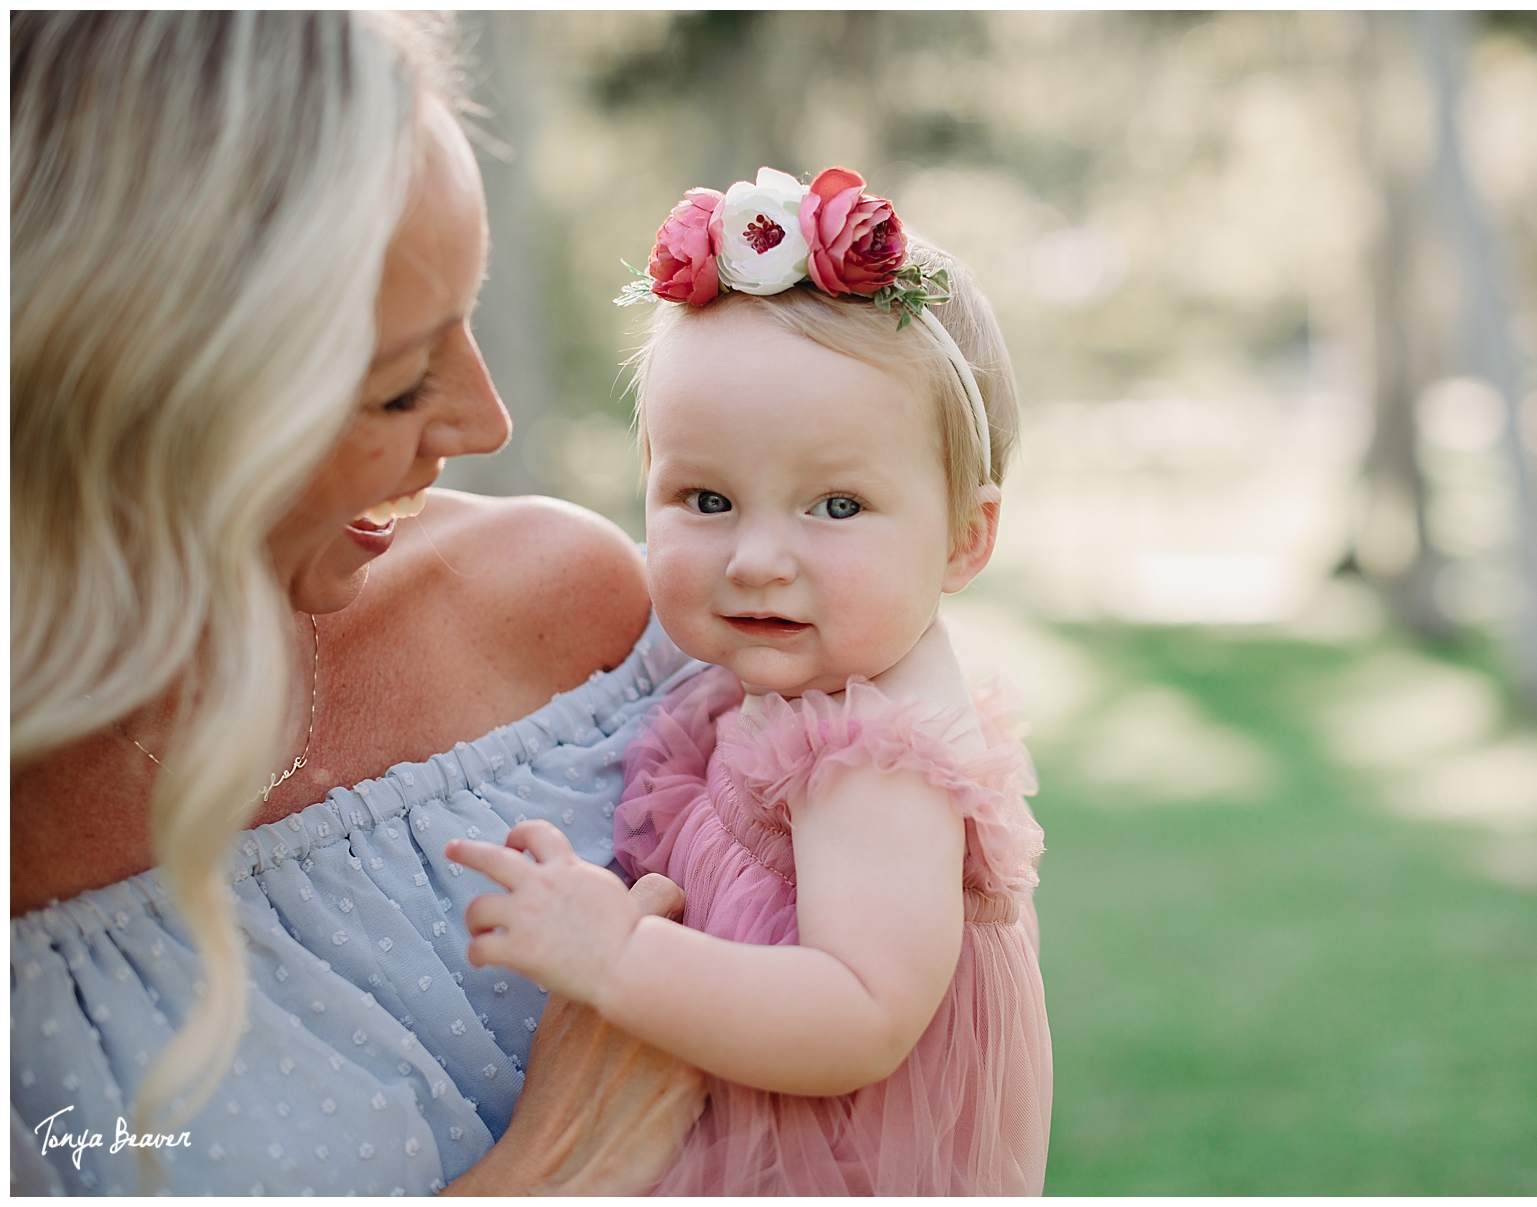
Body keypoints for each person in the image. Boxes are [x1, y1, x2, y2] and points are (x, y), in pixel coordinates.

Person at [11, 13, 704, 1195]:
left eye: (467, 323)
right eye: (395, 389)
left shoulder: (574, 621)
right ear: (115, 401)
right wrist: (551, 1170)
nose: (488, 425)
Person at [445, 167, 1053, 1194]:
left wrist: (616, 961)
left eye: (838, 506)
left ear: (966, 535)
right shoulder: (806, 673)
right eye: (708, 496)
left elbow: (859, 1013)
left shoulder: (878, 761)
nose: (758, 557)